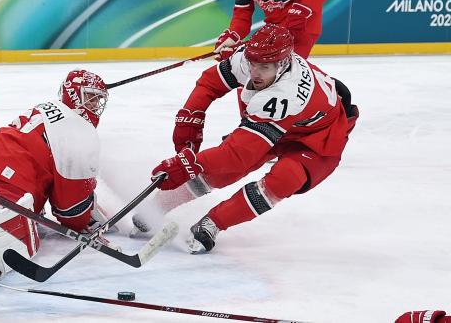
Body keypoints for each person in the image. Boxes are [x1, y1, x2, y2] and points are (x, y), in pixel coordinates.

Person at [137, 24, 358, 254]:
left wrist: (188, 164)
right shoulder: (249, 57)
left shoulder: (286, 94)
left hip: (318, 136)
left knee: (285, 178)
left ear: (282, 65)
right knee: (223, 169)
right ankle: (160, 205)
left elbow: (238, 156)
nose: (255, 72)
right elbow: (209, 83)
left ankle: (214, 223)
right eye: (253, 64)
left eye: (264, 67)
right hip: (284, 120)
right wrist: (191, 115)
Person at [0, 69, 111, 281]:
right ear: (74, 94)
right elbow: (70, 211)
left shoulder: (48, 107)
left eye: (98, 100)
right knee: (10, 231)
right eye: (90, 97)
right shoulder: (80, 131)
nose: (95, 106)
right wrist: (85, 216)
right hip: (9, 180)